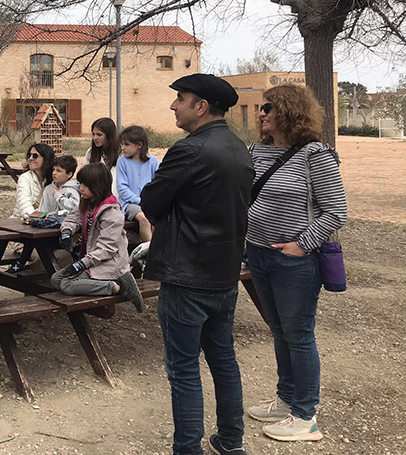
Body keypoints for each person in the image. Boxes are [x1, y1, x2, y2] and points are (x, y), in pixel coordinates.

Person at [140, 73, 254, 455]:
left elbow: (152, 201)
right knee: (223, 359)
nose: (174, 105)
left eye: (181, 99)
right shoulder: (240, 148)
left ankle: (187, 449)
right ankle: (232, 441)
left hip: (187, 275)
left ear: (201, 106)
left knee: (184, 368)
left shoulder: (190, 149)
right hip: (224, 274)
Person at [244, 85, 346, 443]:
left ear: (289, 111)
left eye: (268, 107)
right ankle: (286, 399)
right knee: (279, 331)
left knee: (298, 334)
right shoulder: (257, 151)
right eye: (260, 107)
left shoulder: (315, 155)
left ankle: (306, 416)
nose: (261, 113)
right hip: (257, 253)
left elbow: (336, 210)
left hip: (293, 261)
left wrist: (302, 245)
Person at [50, 163, 144, 309]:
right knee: (56, 279)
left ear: (98, 186)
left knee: (67, 284)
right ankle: (105, 284)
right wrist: (67, 231)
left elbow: (106, 249)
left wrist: (81, 264)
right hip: (92, 259)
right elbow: (73, 218)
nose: (81, 188)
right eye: (81, 183)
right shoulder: (88, 203)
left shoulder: (112, 213)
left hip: (109, 263)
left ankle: (118, 286)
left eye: (86, 185)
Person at [8, 154, 80, 273]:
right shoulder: (48, 188)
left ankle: (23, 264)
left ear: (69, 174)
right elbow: (43, 209)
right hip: (48, 227)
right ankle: (22, 263)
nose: (54, 173)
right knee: (31, 239)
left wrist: (58, 197)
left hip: (64, 231)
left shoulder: (73, 189)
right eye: (53, 170)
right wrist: (37, 217)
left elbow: (73, 209)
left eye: (59, 171)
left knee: (40, 246)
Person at [117, 125, 160, 242]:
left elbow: (157, 185)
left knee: (158, 219)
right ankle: (149, 251)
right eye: (122, 144)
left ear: (139, 145)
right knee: (144, 218)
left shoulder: (153, 162)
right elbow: (122, 188)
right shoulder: (122, 162)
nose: (123, 148)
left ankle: (157, 248)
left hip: (150, 203)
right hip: (129, 204)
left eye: (126, 145)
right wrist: (140, 201)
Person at [11, 142, 55, 219]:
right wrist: (37, 219)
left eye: (35, 156)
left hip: (45, 221)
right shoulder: (24, 178)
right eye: (29, 155)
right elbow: (24, 206)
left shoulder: (53, 179)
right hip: (21, 221)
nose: (30, 158)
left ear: (46, 158)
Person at [83, 117, 121, 197]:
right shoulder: (90, 153)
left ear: (109, 135)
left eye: (99, 135)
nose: (95, 138)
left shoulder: (120, 154)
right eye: (93, 134)